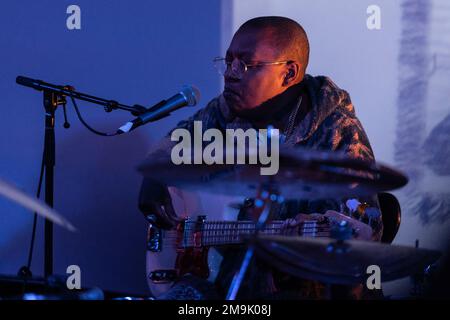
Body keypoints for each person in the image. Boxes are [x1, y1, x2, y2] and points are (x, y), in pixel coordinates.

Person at [139, 16, 382, 299]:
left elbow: (368, 224)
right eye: (227, 62)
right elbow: (173, 144)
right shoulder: (225, 112)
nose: (230, 73)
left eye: (245, 64)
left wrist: (309, 234)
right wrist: (154, 177)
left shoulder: (337, 130)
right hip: (229, 285)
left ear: (289, 73)